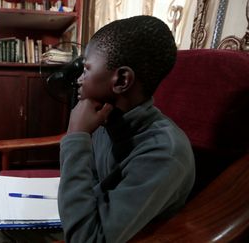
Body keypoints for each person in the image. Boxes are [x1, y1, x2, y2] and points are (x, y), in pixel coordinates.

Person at [58, 15, 195, 243]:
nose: (79, 79)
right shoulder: (107, 118)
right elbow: (92, 180)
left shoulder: (164, 154)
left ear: (121, 80)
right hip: (89, 217)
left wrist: (76, 136)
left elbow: (87, 239)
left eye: (86, 69)